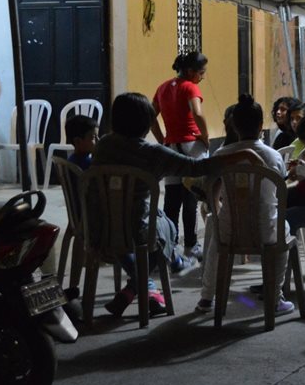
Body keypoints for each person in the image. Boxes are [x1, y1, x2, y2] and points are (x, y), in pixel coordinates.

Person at [93, 92, 259, 317]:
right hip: (137, 230)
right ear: (145, 123)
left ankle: (137, 287)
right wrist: (242, 153)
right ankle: (153, 280)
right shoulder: (152, 153)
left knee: (136, 221)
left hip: (100, 226)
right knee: (166, 226)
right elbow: (197, 167)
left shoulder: (103, 145)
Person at [195, 95, 292, 316]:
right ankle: (275, 298)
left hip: (231, 232)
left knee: (215, 236)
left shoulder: (222, 155)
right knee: (284, 232)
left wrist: (220, 214)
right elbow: (279, 188)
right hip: (266, 230)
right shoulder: (273, 156)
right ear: (261, 126)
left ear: (234, 127)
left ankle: (206, 297)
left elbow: (212, 192)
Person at [152, 51, 209, 264]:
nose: (202, 77)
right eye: (201, 73)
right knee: (191, 198)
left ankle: (169, 246)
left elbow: (151, 115)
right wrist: (205, 136)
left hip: (171, 147)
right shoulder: (190, 87)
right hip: (191, 145)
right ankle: (191, 246)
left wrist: (161, 139)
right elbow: (198, 113)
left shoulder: (163, 87)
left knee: (172, 199)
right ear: (191, 71)